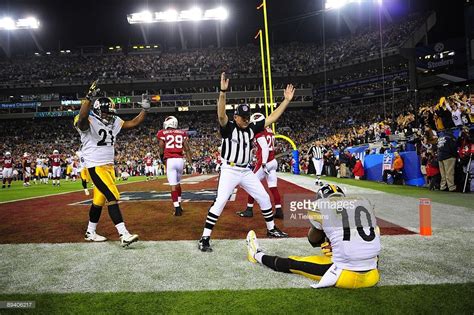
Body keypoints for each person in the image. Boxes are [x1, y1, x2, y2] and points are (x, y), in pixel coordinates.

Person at [198, 72, 295, 252]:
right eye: (243, 117)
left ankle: (271, 229)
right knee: (220, 202)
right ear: (235, 117)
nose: (246, 119)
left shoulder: (251, 127)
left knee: (264, 197)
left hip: (245, 171)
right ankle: (204, 238)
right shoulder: (229, 127)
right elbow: (220, 115)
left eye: (247, 116)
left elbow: (272, 117)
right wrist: (222, 92)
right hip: (230, 169)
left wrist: (286, 101)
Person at [246, 184, 381, 289]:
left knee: (294, 263)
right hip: (373, 274)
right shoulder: (363, 204)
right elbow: (371, 243)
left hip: (345, 275)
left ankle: (256, 255)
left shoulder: (321, 207)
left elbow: (313, 240)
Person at [75, 80, 150, 247]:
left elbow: (133, 122)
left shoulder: (114, 121)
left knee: (99, 200)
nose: (109, 116)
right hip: (96, 166)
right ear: (96, 111)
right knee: (112, 196)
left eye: (110, 113)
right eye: (106, 113)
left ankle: (90, 232)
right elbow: (81, 119)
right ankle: (123, 234)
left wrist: (144, 110)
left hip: (108, 167)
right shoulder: (88, 120)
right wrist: (88, 98)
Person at [237, 113, 283, 219]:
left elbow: (265, 148)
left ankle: (249, 209)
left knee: (251, 184)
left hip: (265, 162)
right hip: (273, 161)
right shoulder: (270, 131)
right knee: (273, 187)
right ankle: (279, 210)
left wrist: (263, 163)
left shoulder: (259, 132)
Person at [157, 116, 193, 216]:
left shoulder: (162, 133)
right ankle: (179, 204)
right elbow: (187, 147)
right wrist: (190, 161)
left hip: (170, 160)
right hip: (180, 160)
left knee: (173, 185)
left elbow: (161, 146)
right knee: (178, 183)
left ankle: (177, 208)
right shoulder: (182, 133)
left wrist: (161, 157)